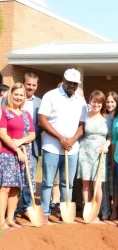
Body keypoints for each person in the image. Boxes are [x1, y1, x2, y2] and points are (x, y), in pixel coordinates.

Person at [38, 68, 87, 224]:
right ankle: (45, 212)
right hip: (51, 147)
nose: (72, 85)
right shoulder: (50, 96)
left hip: (72, 149)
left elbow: (82, 125)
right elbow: (42, 120)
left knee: (68, 184)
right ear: (64, 80)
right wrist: (60, 138)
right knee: (47, 182)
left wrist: (72, 140)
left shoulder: (80, 101)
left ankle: (64, 212)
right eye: (69, 82)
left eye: (75, 83)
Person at [0, 83, 35, 229]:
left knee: (16, 188)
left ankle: (10, 219)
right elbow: (2, 133)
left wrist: (21, 141)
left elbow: (32, 135)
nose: (19, 97)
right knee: (5, 188)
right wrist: (17, 149)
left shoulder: (26, 114)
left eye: (21, 95)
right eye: (16, 94)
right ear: (11, 95)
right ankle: (1, 220)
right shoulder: (4, 112)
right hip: (7, 154)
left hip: (23, 156)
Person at [77, 91, 111, 219]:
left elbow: (110, 136)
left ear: (103, 104)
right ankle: (88, 210)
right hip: (85, 152)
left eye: (99, 102)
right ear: (90, 102)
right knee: (86, 183)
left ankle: (96, 211)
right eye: (94, 101)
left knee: (98, 184)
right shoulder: (84, 116)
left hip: (100, 153)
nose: (96, 104)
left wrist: (106, 145)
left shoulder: (107, 118)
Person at [18, 73, 42, 219]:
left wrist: (28, 137)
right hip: (13, 144)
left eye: (34, 85)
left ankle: (26, 206)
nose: (31, 87)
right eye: (28, 84)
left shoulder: (39, 102)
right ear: (23, 83)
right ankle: (12, 209)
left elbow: (41, 123)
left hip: (31, 145)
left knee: (29, 178)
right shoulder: (12, 98)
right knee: (12, 178)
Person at [105, 91, 118, 220]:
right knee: (105, 183)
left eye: (112, 102)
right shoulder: (102, 116)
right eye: (108, 102)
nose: (109, 104)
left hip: (117, 153)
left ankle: (115, 209)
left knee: (116, 184)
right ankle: (106, 208)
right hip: (103, 154)